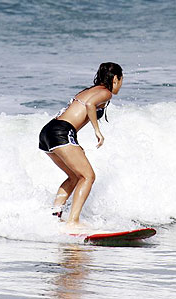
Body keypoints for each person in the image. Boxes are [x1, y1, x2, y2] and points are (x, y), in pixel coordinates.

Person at [38, 62, 123, 230]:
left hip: (48, 132)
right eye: (121, 80)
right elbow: (90, 106)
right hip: (62, 132)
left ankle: (54, 216)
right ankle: (73, 221)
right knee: (88, 176)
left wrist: (75, 144)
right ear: (115, 79)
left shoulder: (87, 91)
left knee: (74, 176)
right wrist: (97, 131)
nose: (121, 84)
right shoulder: (105, 93)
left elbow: (73, 114)